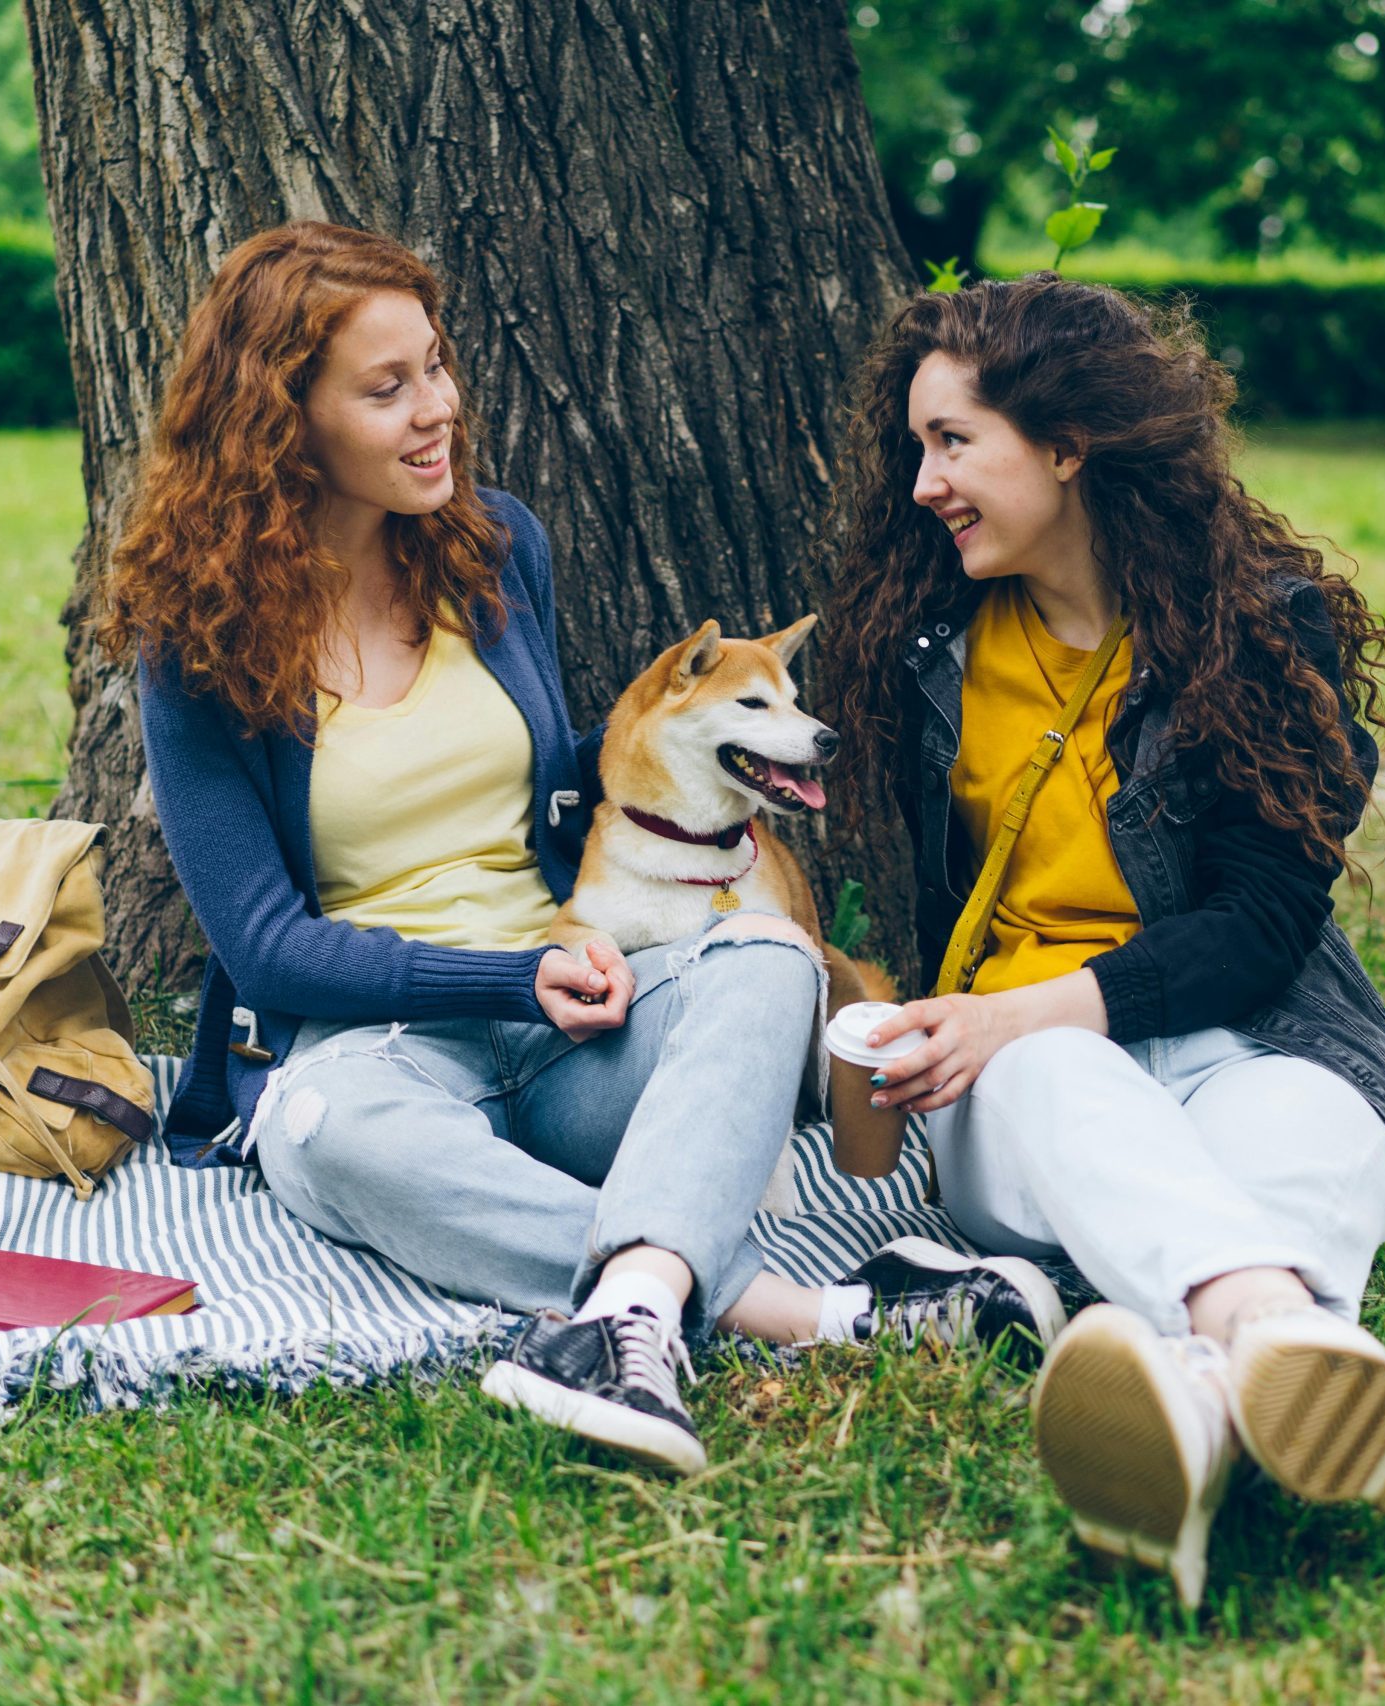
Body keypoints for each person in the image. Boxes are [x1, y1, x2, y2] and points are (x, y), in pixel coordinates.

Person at [99, 221, 1061, 1477]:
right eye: (387, 390)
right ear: (282, 421)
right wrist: (505, 979)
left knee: (771, 956)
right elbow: (267, 950)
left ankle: (629, 1317)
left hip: (586, 1018)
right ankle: (788, 1309)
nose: (436, 409)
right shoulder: (198, 640)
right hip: (388, 1048)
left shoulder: (496, 546)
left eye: (435, 367)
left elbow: (566, 798)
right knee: (317, 1124)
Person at [818, 274, 1385, 1604]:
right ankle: (1274, 1336)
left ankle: (1196, 1411)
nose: (920, 484)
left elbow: (1258, 928)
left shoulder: (1256, 628)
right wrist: (1000, 1017)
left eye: (952, 442)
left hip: (1259, 1036)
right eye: (916, 446)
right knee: (1066, 1079)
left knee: (1310, 1129)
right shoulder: (926, 643)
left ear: (1067, 444)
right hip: (1011, 1075)